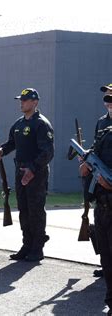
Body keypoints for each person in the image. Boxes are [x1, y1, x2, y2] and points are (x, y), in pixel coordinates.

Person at [0, 88, 54, 262]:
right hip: (20, 171)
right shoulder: (19, 124)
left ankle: (37, 248)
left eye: (25, 100)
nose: (21, 102)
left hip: (36, 173)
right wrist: (2, 151)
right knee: (24, 209)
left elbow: (48, 152)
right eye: (21, 99)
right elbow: (12, 143)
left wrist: (33, 169)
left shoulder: (41, 124)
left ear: (35, 102)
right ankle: (27, 245)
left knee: (35, 210)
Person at [79, 84, 112, 315]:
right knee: (108, 258)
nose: (109, 101)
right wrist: (87, 165)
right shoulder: (103, 127)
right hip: (103, 202)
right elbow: (96, 153)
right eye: (107, 98)